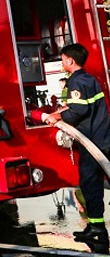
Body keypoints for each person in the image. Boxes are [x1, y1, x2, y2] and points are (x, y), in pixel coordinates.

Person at [44, 43, 110, 247]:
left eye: (63, 59)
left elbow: (78, 111)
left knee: (90, 184)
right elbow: (81, 106)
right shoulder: (89, 79)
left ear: (70, 60)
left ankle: (97, 229)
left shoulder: (76, 81)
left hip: (91, 142)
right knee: (93, 184)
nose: (62, 62)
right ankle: (95, 226)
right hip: (102, 138)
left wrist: (56, 117)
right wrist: (60, 111)